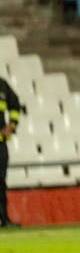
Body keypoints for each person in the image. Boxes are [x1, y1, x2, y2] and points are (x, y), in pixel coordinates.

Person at [0, 75, 23, 227]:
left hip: (0, 144)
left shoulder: (2, 85)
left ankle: (4, 219)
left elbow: (15, 105)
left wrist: (12, 124)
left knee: (1, 182)